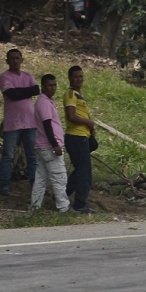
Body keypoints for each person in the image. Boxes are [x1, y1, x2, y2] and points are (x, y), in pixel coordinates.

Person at [0, 48, 39, 196]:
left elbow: (36, 90)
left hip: (30, 122)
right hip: (12, 123)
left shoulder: (28, 75)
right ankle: (5, 185)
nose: (15, 61)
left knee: (32, 156)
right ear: (7, 61)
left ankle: (35, 185)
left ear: (22, 60)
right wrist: (26, 91)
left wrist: (20, 91)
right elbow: (12, 95)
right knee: (8, 155)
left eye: (17, 58)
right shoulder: (4, 77)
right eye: (12, 58)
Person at [30, 74, 70, 213]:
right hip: (49, 146)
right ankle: (63, 207)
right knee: (59, 177)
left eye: (55, 85)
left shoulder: (45, 101)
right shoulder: (44, 103)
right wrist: (55, 145)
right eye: (49, 85)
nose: (53, 88)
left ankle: (35, 206)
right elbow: (47, 126)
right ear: (43, 86)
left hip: (41, 146)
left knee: (41, 178)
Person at [63, 65, 96, 214]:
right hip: (76, 136)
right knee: (85, 173)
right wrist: (88, 122)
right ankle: (80, 204)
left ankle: (62, 195)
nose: (79, 79)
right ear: (70, 78)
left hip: (82, 136)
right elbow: (71, 116)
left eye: (81, 76)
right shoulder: (70, 94)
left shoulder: (78, 95)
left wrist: (90, 129)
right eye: (76, 76)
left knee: (80, 171)